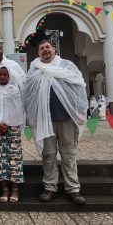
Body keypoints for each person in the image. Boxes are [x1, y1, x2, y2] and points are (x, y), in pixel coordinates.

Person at [24, 40, 88, 205]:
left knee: (68, 154)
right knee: (49, 155)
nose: (45, 50)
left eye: (47, 47)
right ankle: (50, 187)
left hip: (67, 118)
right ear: (38, 53)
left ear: (54, 50)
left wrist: (80, 112)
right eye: (41, 48)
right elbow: (29, 94)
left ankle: (73, 189)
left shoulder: (67, 66)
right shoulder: (35, 70)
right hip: (46, 120)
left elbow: (79, 87)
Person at [0, 66, 25, 203]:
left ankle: (14, 188)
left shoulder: (15, 90)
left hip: (13, 129)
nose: (2, 77)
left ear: (9, 76)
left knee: (13, 158)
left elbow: (18, 109)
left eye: (4, 74)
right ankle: (4, 189)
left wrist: (8, 123)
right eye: (0, 74)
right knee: (0, 160)